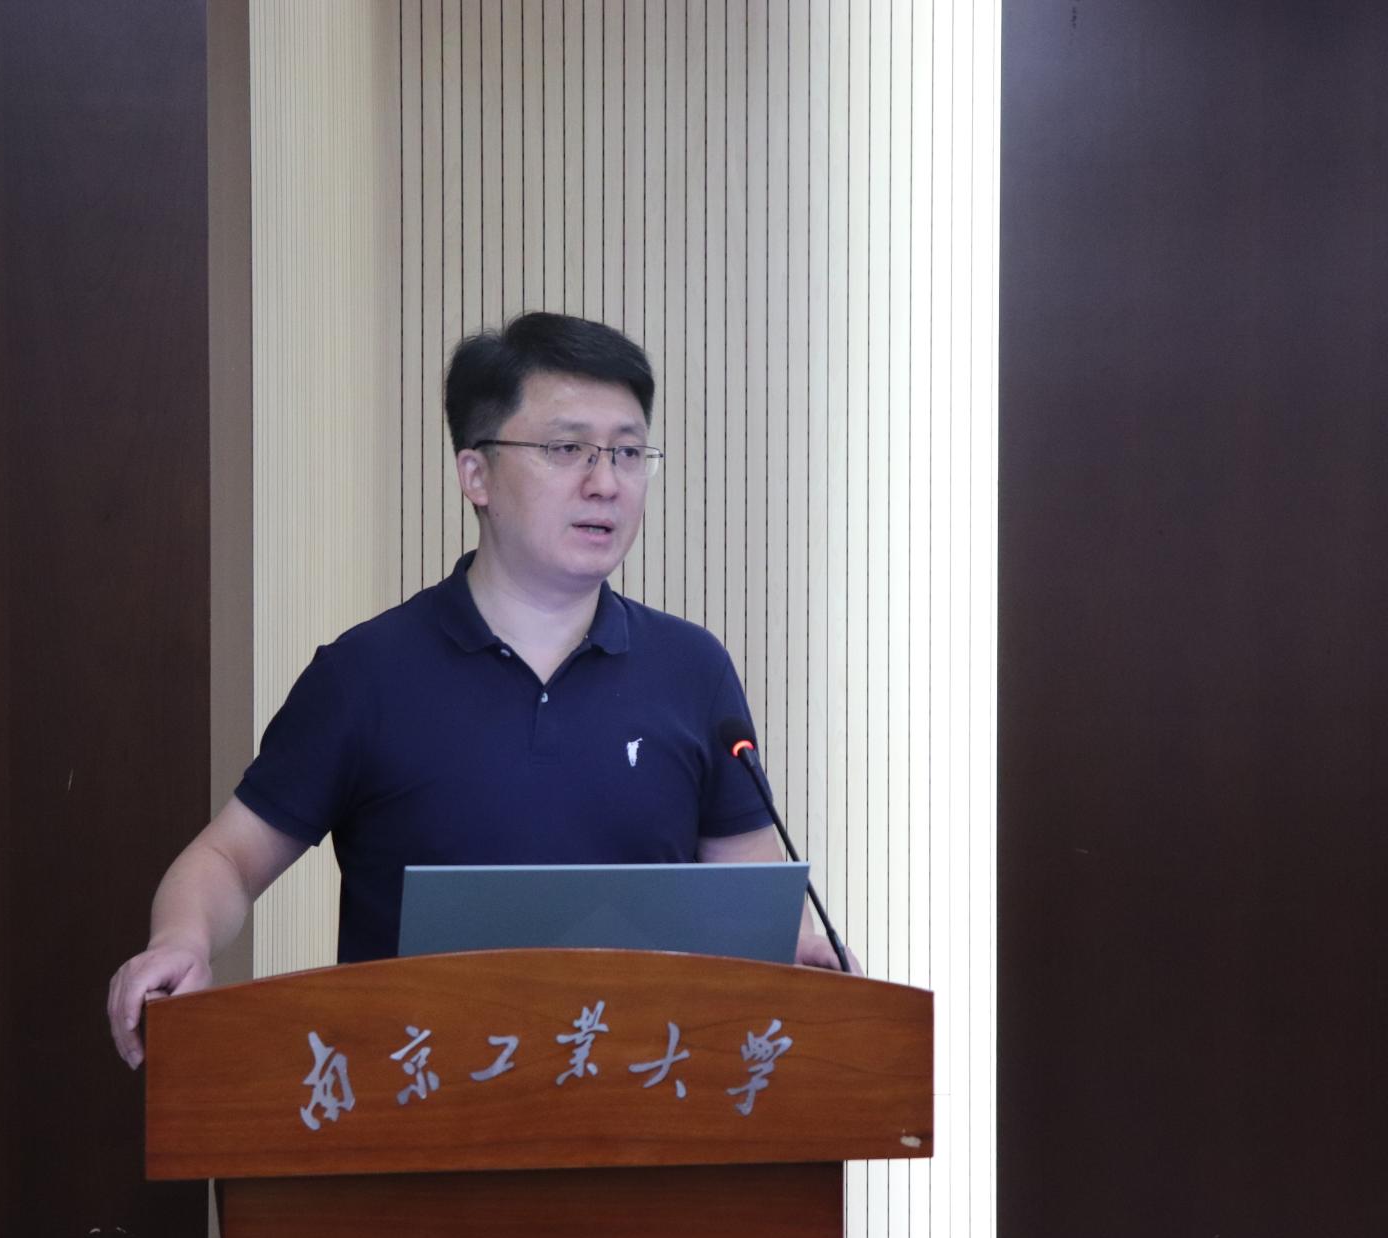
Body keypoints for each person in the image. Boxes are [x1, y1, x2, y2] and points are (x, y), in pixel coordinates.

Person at [107, 311, 854, 1070]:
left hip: (645, 1099)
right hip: (416, 1100)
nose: (605, 482)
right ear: (476, 474)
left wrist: (800, 947)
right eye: (567, 449)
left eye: (628, 453)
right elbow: (228, 859)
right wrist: (180, 940)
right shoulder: (367, 675)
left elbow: (751, 895)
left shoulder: (692, 669)